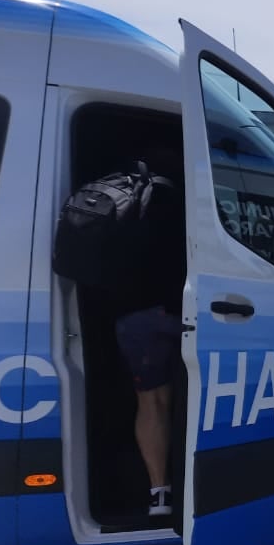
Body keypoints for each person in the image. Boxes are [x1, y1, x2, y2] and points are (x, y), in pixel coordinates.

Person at [112, 149, 185, 518]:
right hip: (169, 314)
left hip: (129, 318)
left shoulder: (119, 197)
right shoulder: (177, 197)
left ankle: (159, 491)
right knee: (173, 401)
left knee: (149, 402)